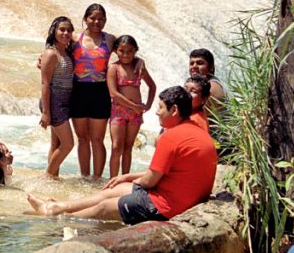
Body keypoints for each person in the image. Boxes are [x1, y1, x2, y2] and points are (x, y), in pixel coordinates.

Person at [26, 86, 217, 224]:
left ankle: (59, 217)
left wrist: (133, 181)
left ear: (173, 110)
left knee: (105, 207)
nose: (157, 113)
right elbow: (160, 174)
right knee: (116, 189)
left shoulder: (171, 137)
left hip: (166, 207)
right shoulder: (196, 130)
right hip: (181, 197)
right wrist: (127, 177)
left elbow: (150, 181)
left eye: (160, 107)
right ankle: (57, 207)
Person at [69, 4, 117, 180]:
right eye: (93, 18)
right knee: (82, 138)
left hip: (100, 92)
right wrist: (42, 59)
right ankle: (84, 176)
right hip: (78, 91)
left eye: (101, 19)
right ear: (85, 19)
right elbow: (56, 50)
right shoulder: (75, 38)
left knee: (97, 139)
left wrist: (139, 62)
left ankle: (96, 178)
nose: (97, 22)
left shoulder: (110, 39)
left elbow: (129, 51)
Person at [107, 35, 156, 178]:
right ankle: (112, 180)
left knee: (128, 148)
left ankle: (124, 179)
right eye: (122, 51)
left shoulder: (139, 67)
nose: (126, 54)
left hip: (135, 113)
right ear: (116, 51)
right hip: (118, 112)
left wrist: (147, 105)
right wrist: (133, 106)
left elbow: (152, 86)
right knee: (116, 147)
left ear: (135, 51)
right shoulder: (114, 68)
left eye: (130, 51)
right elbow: (113, 93)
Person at [39, 16, 75, 178]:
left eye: (69, 30)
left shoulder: (66, 51)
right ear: (54, 31)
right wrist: (46, 112)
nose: (65, 33)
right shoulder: (50, 54)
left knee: (56, 143)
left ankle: (53, 178)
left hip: (64, 101)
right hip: (53, 102)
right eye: (62, 29)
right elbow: (45, 84)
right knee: (68, 144)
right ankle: (48, 176)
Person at [189, 48, 230, 157]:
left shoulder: (211, 88)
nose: (194, 66)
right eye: (191, 63)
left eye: (200, 63)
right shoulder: (203, 84)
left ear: (211, 67)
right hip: (214, 139)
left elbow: (186, 116)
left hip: (221, 145)